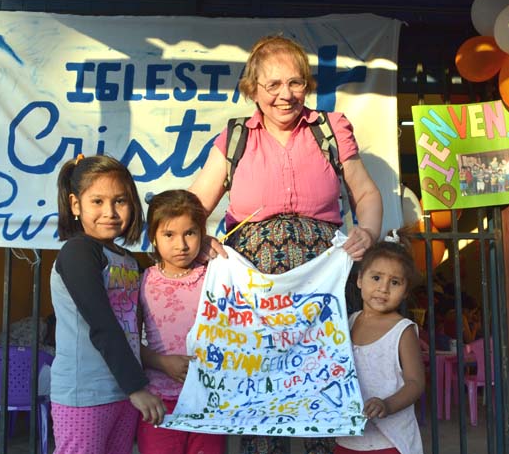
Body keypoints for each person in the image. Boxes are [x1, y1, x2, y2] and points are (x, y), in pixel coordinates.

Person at [189, 34, 383, 454]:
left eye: (295, 83)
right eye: (273, 85)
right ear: (252, 89)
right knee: (260, 387)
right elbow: (193, 206)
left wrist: (367, 230)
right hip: (257, 288)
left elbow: (365, 194)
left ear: (307, 85)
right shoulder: (235, 136)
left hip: (322, 281)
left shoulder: (330, 129)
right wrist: (199, 240)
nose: (285, 95)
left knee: (322, 383)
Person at [50, 154, 166, 454]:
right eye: (97, 202)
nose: (110, 212)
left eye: (120, 201)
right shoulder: (78, 252)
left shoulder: (126, 259)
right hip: (86, 393)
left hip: (122, 393)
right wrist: (136, 387)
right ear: (76, 205)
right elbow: (101, 323)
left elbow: (133, 329)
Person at [136, 190, 226, 454]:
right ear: (153, 236)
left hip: (208, 401)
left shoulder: (214, 278)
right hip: (160, 402)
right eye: (169, 235)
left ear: (202, 233)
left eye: (190, 233)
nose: (181, 245)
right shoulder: (143, 281)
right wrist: (161, 362)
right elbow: (129, 341)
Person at [334, 230, 425, 454]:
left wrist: (387, 405)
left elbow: (416, 383)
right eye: (376, 278)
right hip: (348, 438)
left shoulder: (402, 331)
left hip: (390, 440)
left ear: (405, 292)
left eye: (394, 282)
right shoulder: (349, 322)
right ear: (359, 279)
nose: (383, 288)